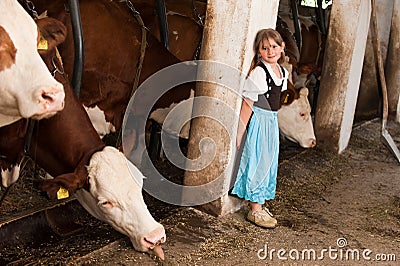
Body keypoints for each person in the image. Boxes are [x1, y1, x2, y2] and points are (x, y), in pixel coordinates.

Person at [231, 28, 288, 229]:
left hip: (271, 121)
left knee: (268, 162)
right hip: (258, 122)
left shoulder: (282, 72)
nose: (270, 51)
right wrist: (240, 132)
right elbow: (248, 104)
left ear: (282, 48)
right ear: (259, 51)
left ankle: (260, 203)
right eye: (265, 48)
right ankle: (255, 210)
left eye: (274, 46)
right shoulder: (259, 72)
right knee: (257, 162)